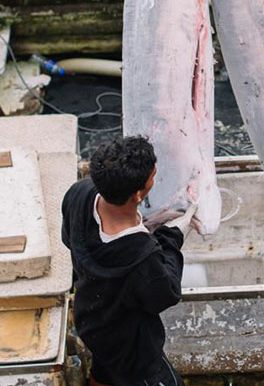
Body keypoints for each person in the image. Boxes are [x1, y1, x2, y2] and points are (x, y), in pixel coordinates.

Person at [61, 136, 196, 386]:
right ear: (137, 194)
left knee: (104, 369)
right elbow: (165, 293)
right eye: (153, 176)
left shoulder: (80, 193)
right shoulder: (141, 257)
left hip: (91, 321)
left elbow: (70, 239)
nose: (155, 179)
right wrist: (173, 236)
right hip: (132, 348)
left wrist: (145, 224)